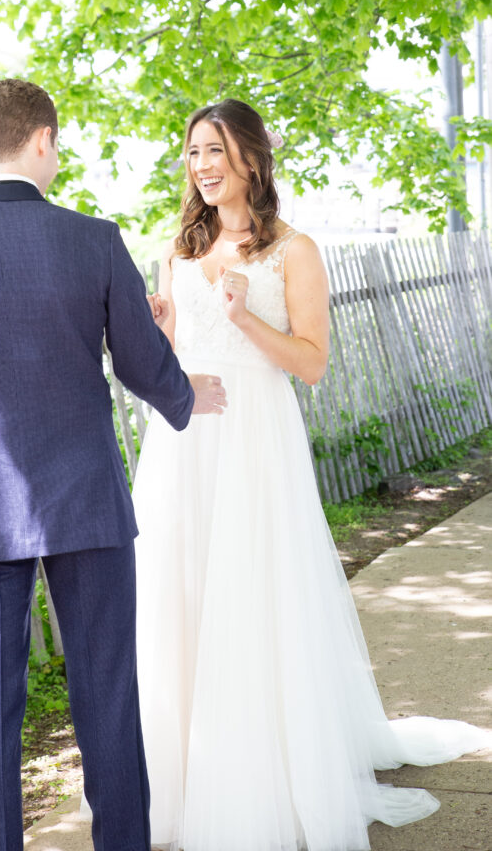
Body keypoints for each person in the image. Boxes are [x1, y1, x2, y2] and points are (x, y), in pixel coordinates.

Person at [0, 78, 227, 851]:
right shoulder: (92, 239)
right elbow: (138, 364)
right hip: (87, 503)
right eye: (56, 145)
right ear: (41, 140)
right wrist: (184, 394)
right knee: (107, 698)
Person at [133, 98, 488, 851]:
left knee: (252, 593)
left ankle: (263, 772)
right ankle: (186, 772)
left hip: (254, 443)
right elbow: (171, 364)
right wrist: (163, 333)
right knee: (184, 590)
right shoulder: (176, 249)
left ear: (251, 161)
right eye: (193, 152)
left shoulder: (293, 249)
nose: (201, 166)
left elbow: (312, 364)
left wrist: (241, 317)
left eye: (215, 151)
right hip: (184, 442)